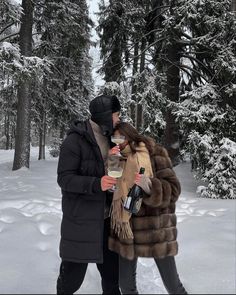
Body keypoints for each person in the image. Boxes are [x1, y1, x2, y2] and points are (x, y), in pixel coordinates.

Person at [108, 122, 187, 294]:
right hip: (127, 230)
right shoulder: (116, 158)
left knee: (173, 286)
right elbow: (112, 191)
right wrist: (112, 169)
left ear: (131, 135)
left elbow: (174, 189)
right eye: (115, 138)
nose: (118, 141)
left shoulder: (155, 153)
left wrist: (150, 185)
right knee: (126, 287)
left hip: (156, 230)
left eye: (122, 136)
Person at [56, 95, 122, 294]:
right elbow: (64, 179)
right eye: (116, 115)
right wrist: (96, 183)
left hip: (107, 221)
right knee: (71, 281)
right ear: (105, 116)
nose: (118, 119)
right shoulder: (74, 141)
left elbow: (112, 176)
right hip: (81, 222)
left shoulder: (112, 137)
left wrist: (114, 162)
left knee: (112, 278)